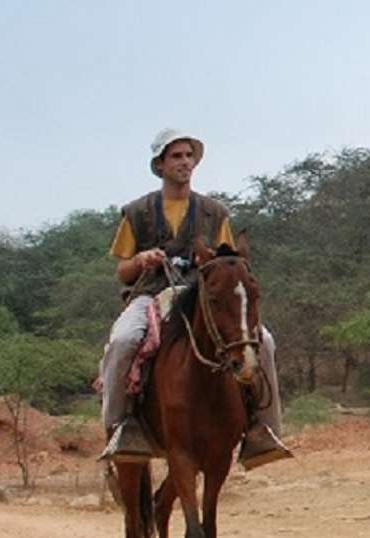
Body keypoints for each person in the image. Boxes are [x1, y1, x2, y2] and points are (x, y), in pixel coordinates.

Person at [96, 128, 294, 469]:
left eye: (189, 156)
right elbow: (122, 271)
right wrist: (142, 260)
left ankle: (264, 429)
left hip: (201, 296)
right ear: (160, 165)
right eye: (176, 156)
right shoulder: (137, 211)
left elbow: (229, 261)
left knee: (265, 341)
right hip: (151, 294)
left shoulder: (214, 212)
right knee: (123, 339)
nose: (184, 162)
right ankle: (119, 427)